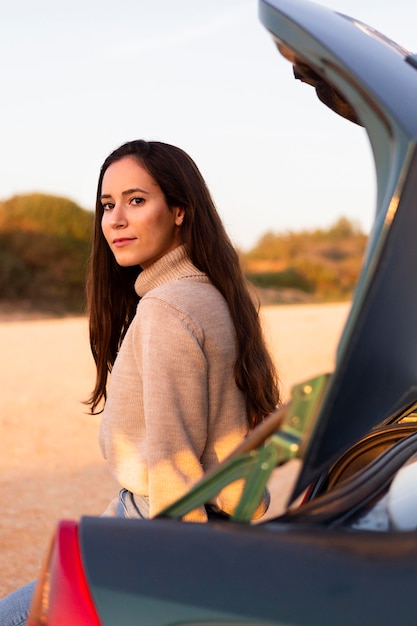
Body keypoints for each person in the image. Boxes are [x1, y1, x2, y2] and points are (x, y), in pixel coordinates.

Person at [0, 139, 280, 624]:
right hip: (213, 526)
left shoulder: (167, 309)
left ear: (178, 210)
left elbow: (172, 464)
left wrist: (183, 583)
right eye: (107, 205)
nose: (115, 220)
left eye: (135, 200)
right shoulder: (213, 294)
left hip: (155, 532)